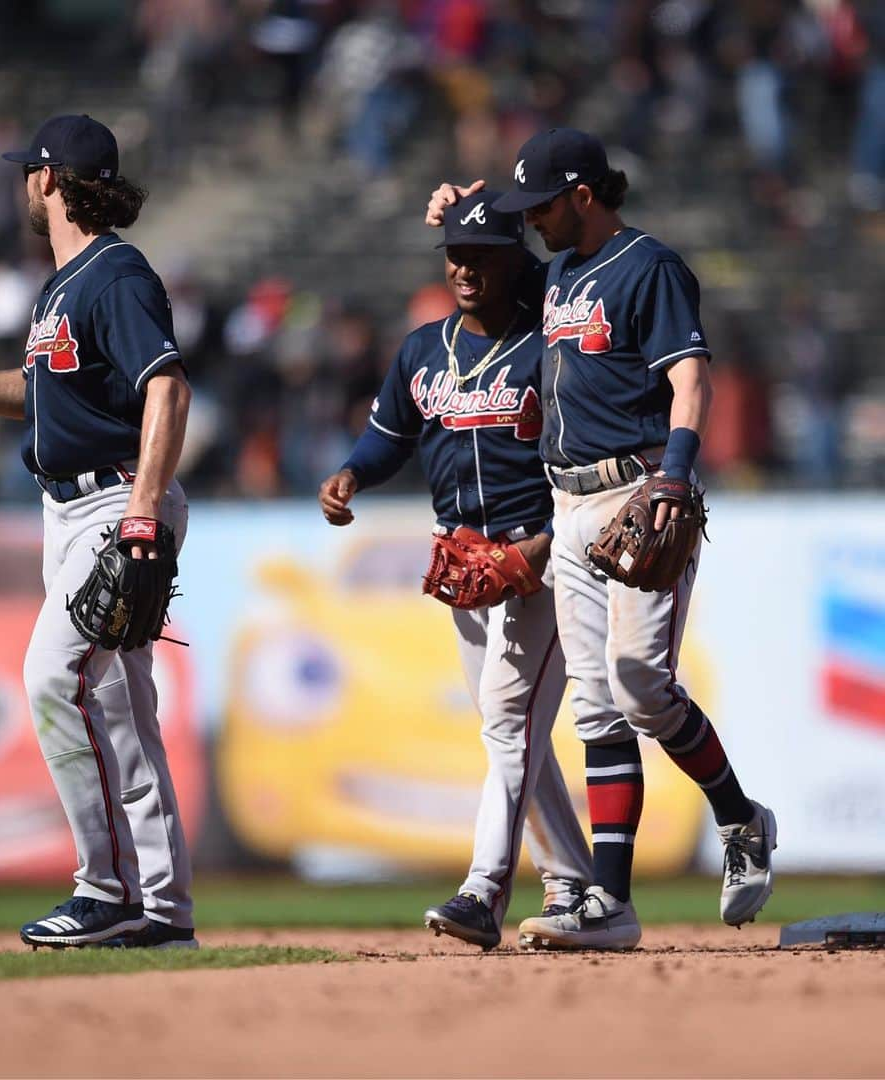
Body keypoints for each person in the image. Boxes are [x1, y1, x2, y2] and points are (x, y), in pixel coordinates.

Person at [426, 128, 777, 951]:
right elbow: (484, 275)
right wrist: (458, 213)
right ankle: (609, 905)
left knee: (639, 684)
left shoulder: (648, 266)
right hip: (566, 501)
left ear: (584, 194)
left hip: (639, 491)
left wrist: (675, 477)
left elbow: (692, 378)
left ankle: (739, 816)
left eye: (541, 204)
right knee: (593, 704)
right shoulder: (555, 276)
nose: (533, 220)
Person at [0, 114, 196, 950]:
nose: (21, 185)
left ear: (49, 180)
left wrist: (142, 507)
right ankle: (162, 911)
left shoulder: (115, 276)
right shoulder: (63, 286)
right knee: (118, 713)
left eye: (26, 172)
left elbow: (167, 390)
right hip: (67, 510)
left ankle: (104, 888)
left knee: (49, 676)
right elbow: (39, 399)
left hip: (113, 504)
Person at [318, 191, 593, 950]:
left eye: (482, 254)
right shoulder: (420, 349)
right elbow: (387, 438)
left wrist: (547, 540)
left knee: (509, 723)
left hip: (536, 555)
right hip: (461, 562)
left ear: (515, 261)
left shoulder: (547, 345)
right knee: (514, 734)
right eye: (455, 254)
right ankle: (573, 883)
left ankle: (482, 892)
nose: (465, 267)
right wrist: (350, 475)